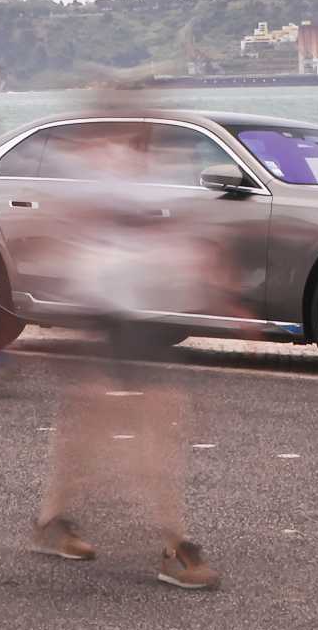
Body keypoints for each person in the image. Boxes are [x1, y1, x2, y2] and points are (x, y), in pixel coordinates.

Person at [30, 112, 217, 588]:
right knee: (153, 418)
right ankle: (174, 544)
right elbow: (65, 231)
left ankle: (52, 520)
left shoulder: (157, 170)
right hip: (106, 308)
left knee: (95, 422)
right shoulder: (95, 168)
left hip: (142, 311)